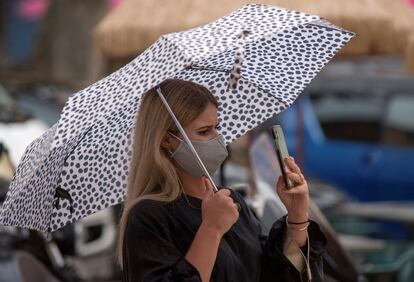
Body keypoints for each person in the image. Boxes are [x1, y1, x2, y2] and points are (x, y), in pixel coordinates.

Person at [117, 79, 327, 282]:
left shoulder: (230, 200)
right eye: (204, 131)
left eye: (216, 127)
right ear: (167, 140)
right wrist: (211, 229)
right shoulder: (149, 216)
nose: (218, 138)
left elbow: (277, 273)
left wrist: (297, 215)